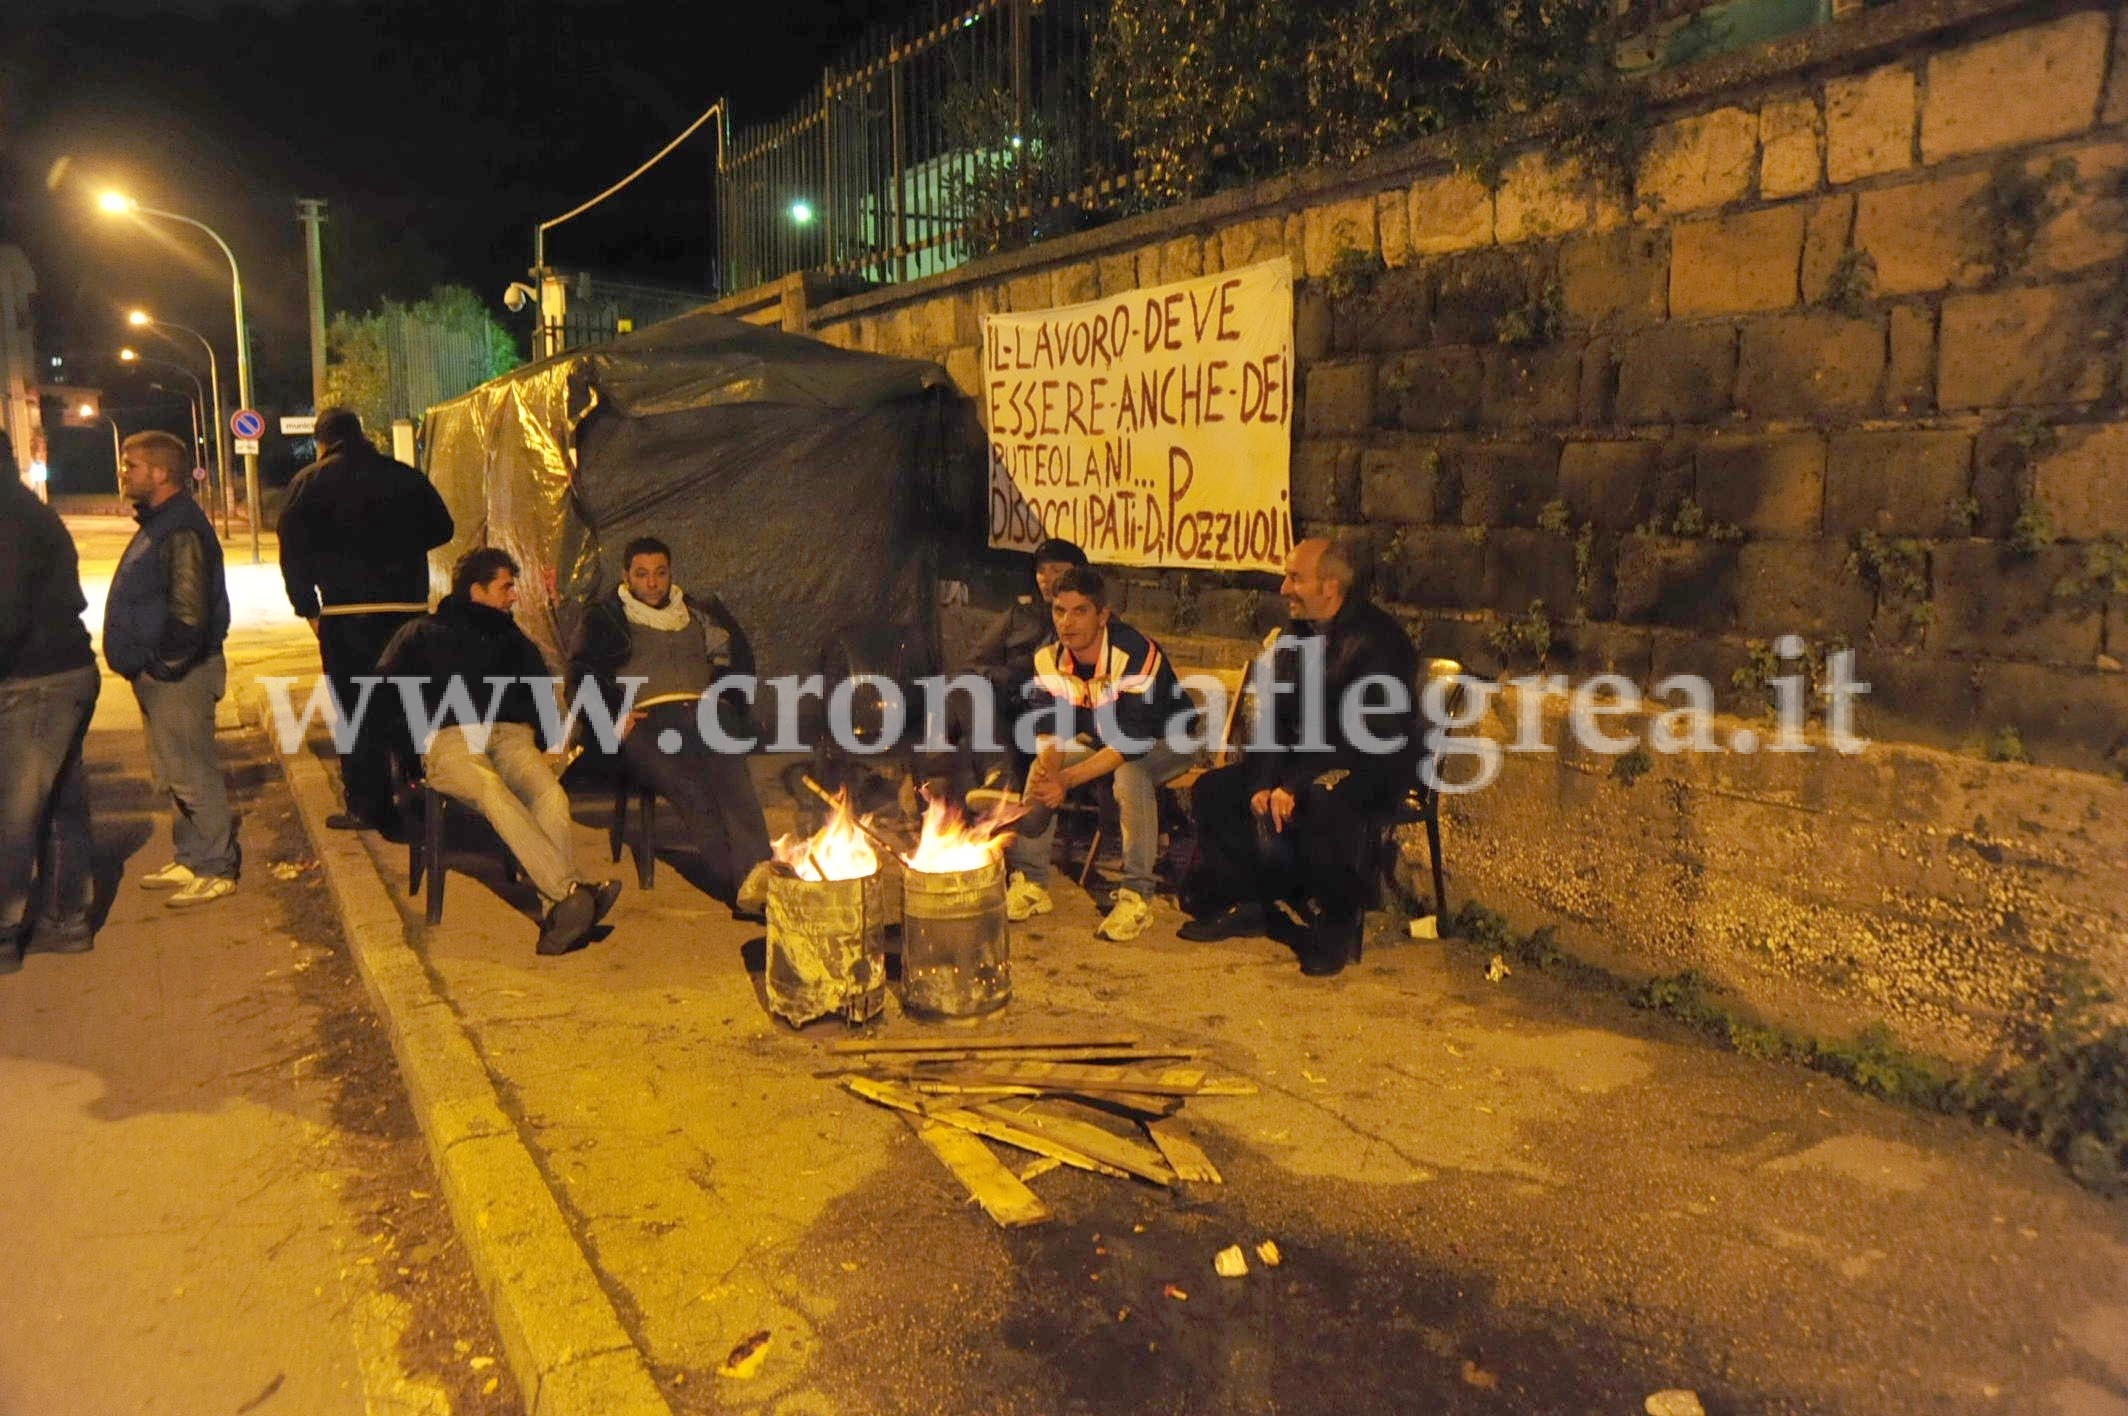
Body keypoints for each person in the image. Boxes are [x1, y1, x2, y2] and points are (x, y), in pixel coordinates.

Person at [1178, 538, 1419, 976]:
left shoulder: (1380, 642)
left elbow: (1363, 734)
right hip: (1302, 760)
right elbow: (1273, 717)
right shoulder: (1296, 636)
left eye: (1295, 577)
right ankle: (1251, 899)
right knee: (1214, 790)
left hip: (1371, 763)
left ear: (1329, 587)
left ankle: (1336, 923)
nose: (1283, 587)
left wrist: (1295, 783)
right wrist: (1265, 782)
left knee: (1328, 802)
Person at [378, 548, 617, 956]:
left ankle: (561, 916)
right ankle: (570, 890)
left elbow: (540, 690)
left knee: (550, 793)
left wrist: (547, 744)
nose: (513, 597)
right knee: (491, 790)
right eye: (506, 587)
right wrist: (407, 759)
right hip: (450, 739)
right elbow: (383, 697)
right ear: (477, 590)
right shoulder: (421, 633)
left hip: (511, 736)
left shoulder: (513, 637)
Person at [568, 536, 770, 918]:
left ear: (670, 573)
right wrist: (612, 718)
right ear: (627, 576)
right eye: (642, 575)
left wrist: (728, 697)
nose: (652, 583)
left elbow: (736, 657)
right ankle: (742, 884)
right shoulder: (607, 617)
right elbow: (580, 674)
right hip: (648, 720)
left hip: (705, 711)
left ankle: (758, 880)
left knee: (732, 779)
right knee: (691, 789)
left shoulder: (697, 612)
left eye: (660, 573)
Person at [277, 406, 455, 834]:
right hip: (405, 612)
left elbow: (293, 552)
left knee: (355, 712)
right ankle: (416, 786)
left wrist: (308, 608)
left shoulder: (308, 484)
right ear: (362, 434)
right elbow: (443, 528)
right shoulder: (404, 475)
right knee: (408, 702)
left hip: (347, 615)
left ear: (322, 442)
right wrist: (403, 547)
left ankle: (366, 806)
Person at [1003, 565, 1198, 943]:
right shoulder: (1050, 657)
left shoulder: (1136, 652)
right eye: (1060, 611)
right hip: (1108, 740)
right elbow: (1051, 731)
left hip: (1170, 739)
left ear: (1103, 615)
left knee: (1130, 775)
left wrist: (1068, 780)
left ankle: (1137, 896)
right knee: (1040, 770)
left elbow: (1132, 743)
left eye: (1080, 611)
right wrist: (1051, 775)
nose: (1067, 622)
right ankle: (1030, 881)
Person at [105, 430, 239, 908]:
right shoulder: (161, 522)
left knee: (191, 772)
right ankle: (192, 855)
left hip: (181, 675)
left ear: (160, 473)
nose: (124, 473)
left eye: (132, 465)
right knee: (172, 771)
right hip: (163, 674)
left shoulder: (180, 528)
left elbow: (189, 613)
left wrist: (163, 667)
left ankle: (216, 866)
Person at [1, 437, 101, 969]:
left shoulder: (9, 519)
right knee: (59, 803)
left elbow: (6, 613)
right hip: (61, 673)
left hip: (34, 682)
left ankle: (5, 930)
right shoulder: (28, 513)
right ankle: (65, 919)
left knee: (13, 810)